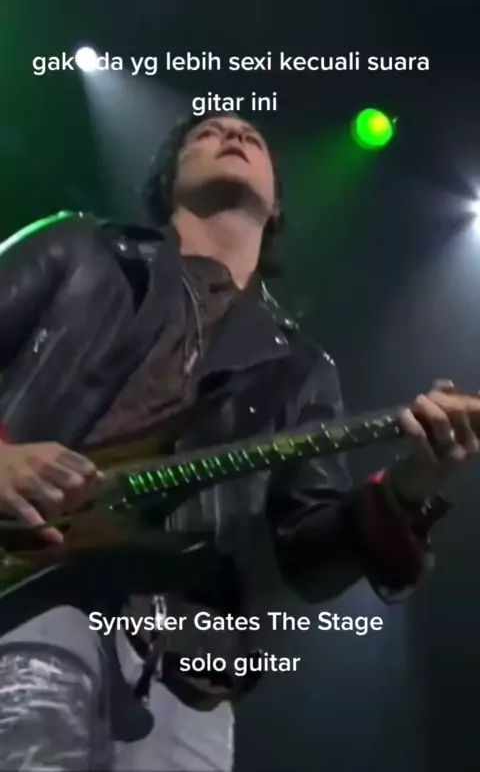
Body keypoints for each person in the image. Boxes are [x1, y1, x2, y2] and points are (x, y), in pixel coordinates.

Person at [0, 110, 479, 772]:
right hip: (29, 591)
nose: (234, 135)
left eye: (252, 137)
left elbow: (309, 556)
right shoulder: (80, 249)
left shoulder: (301, 368)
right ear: (166, 181)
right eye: (206, 133)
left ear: (277, 204)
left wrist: (411, 484)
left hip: (187, 671)